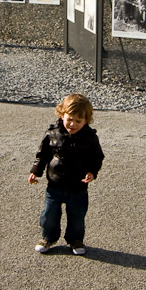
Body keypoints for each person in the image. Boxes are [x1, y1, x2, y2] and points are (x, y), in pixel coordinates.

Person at [29, 93, 104, 255]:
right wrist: (36, 171)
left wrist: (92, 171)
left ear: (86, 121)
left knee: (77, 216)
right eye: (69, 119)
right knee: (49, 214)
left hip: (78, 186)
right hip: (55, 185)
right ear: (62, 114)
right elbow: (42, 155)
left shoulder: (90, 138)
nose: (73, 124)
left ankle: (75, 239)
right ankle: (48, 237)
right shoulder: (53, 134)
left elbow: (97, 157)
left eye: (78, 121)